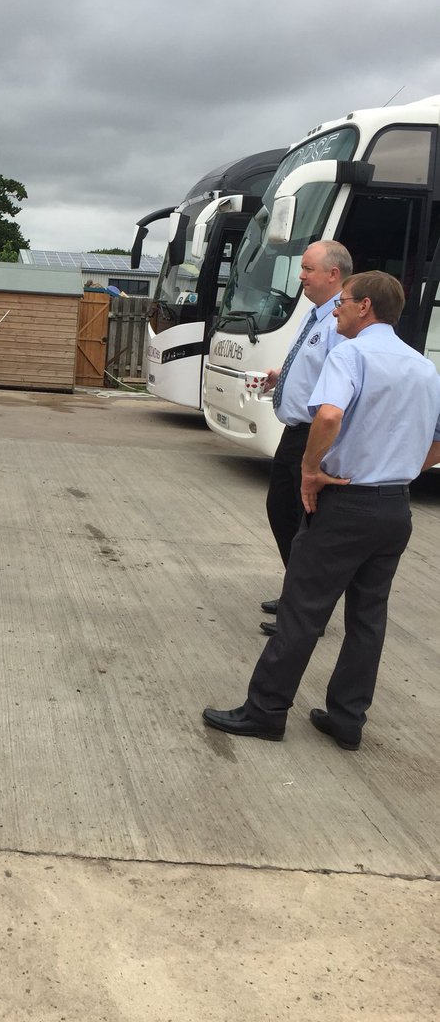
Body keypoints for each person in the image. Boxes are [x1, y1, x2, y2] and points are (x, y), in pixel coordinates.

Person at [204, 271, 440, 748]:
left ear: (365, 307)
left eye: (343, 302)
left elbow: (329, 414)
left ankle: (265, 710)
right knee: (368, 618)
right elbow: (436, 440)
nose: (336, 312)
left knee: (302, 610)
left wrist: (310, 470)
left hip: (346, 504)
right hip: (394, 508)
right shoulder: (424, 367)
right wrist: (400, 469)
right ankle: (348, 719)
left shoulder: (350, 354)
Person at [258, 240, 352, 635]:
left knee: (302, 520)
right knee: (284, 511)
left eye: (308, 269)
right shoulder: (315, 315)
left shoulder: (340, 322)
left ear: (333, 274)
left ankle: (307, 609)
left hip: (312, 435)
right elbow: (315, 369)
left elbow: (343, 384)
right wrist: (283, 377)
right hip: (294, 431)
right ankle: (297, 595)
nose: (301, 276)